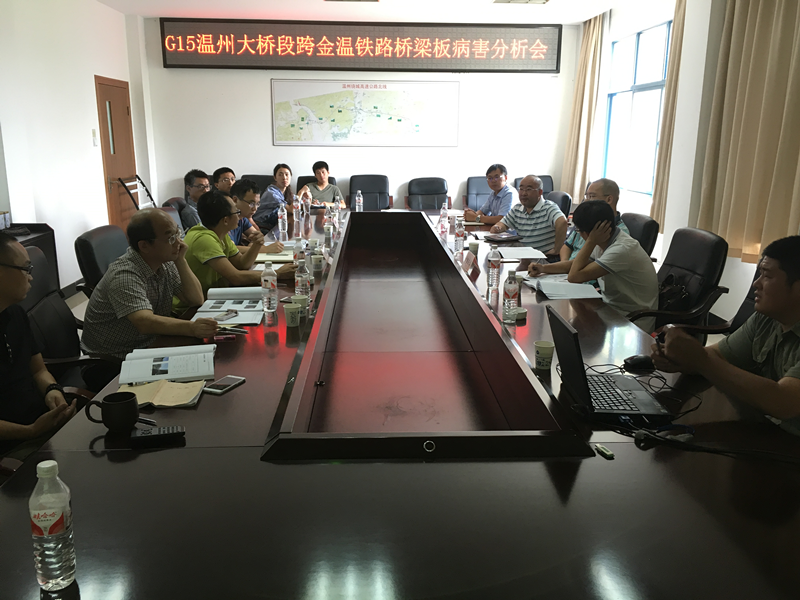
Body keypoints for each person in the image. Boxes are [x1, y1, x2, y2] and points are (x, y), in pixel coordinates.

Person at [652, 236, 800, 435]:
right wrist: (680, 358)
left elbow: (784, 402)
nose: (756, 284)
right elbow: (717, 356)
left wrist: (700, 360)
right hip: (763, 429)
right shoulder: (766, 319)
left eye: (767, 276)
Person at [82, 209, 218, 358]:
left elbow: (196, 299)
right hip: (115, 357)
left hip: (150, 343)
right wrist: (192, 328)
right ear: (144, 246)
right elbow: (144, 322)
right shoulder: (124, 275)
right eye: (170, 238)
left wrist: (181, 260)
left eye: (178, 233)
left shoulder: (164, 262)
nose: (179, 243)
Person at [0, 232, 77, 457]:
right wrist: (31, 431)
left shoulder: (16, 313)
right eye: (26, 269)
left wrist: (52, 390)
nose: (31, 277)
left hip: (40, 421)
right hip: (12, 445)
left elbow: (38, 370)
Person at [529, 200, 659, 331]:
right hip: (609, 309)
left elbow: (574, 276)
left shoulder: (621, 249)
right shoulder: (605, 241)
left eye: (578, 230)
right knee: (569, 325)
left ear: (588, 233)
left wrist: (590, 241)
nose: (578, 234)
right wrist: (543, 268)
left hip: (631, 321)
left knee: (569, 329)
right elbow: (575, 264)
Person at [177, 190, 295, 311]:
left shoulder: (219, 232)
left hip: (214, 297)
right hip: (190, 309)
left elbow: (242, 264)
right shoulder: (204, 239)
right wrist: (277, 274)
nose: (239, 216)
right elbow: (236, 277)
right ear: (225, 220)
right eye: (236, 212)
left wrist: (256, 245)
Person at [489, 175, 567, 256]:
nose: (523, 193)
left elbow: (562, 222)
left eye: (528, 189)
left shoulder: (549, 207)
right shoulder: (517, 208)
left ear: (540, 192)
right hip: (523, 256)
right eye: (521, 189)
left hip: (542, 259)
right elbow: (504, 223)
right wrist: (498, 227)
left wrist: (557, 250)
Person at [561, 178, 629, 261]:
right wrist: (563, 263)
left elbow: (597, 263)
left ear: (609, 199)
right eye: (586, 196)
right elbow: (567, 246)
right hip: (567, 265)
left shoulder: (620, 233)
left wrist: (567, 267)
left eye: (592, 196)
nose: (586, 200)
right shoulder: (586, 219)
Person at [228, 178, 283, 255]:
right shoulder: (225, 220)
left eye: (257, 204)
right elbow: (230, 249)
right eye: (251, 204)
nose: (255, 208)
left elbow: (259, 237)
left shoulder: (242, 219)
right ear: (235, 200)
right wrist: (265, 249)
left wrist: (255, 244)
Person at [253, 163, 293, 231]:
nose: (284, 178)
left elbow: (299, 204)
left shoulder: (287, 192)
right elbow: (291, 209)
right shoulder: (271, 193)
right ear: (275, 177)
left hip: (275, 223)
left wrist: (307, 199)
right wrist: (301, 192)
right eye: (280, 174)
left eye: (287, 174)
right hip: (261, 224)